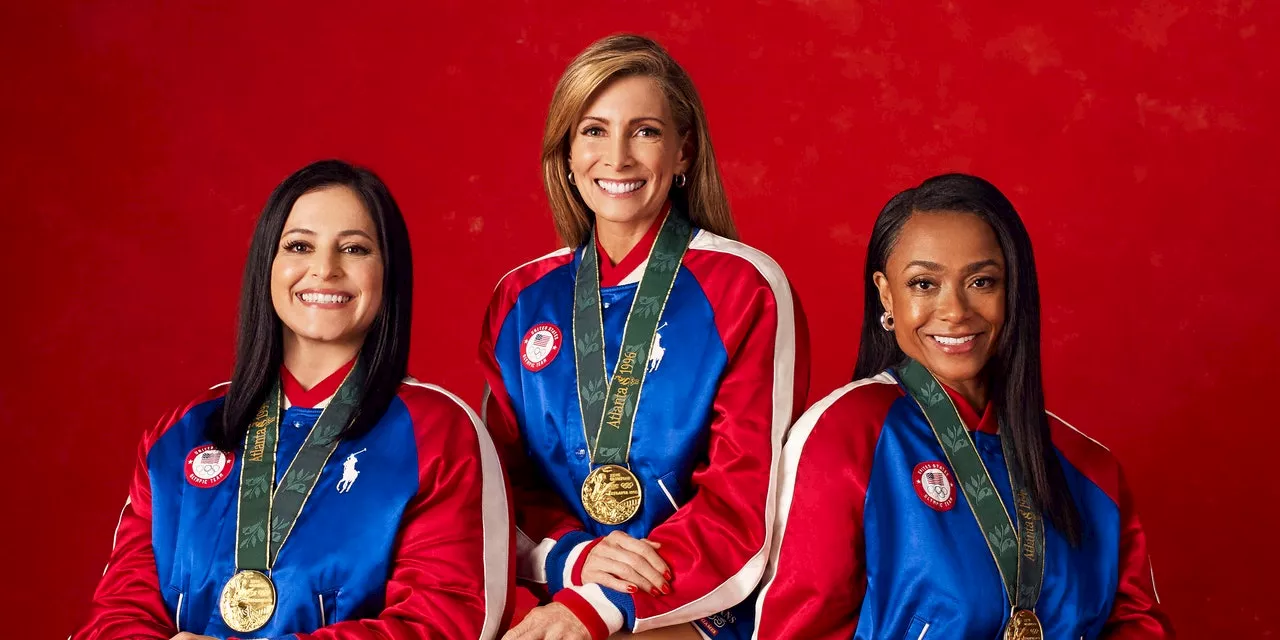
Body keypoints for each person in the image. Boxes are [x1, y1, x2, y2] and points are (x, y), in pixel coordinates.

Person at [76, 160, 511, 639]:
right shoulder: (181, 434)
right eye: (299, 246)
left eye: (355, 248)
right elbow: (117, 615)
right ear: (268, 263)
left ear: (389, 273)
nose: (325, 270)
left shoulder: (439, 432)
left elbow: (444, 622)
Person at [479, 34, 809, 640]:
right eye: (594, 130)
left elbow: (742, 507)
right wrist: (571, 558)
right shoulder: (521, 298)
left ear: (684, 152)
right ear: (567, 151)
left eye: (646, 131)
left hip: (696, 605)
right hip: (556, 590)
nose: (619, 157)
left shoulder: (746, 287)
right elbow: (499, 488)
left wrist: (600, 605)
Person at [753, 173, 1174, 638]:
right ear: (886, 294)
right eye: (924, 283)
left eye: (980, 281)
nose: (955, 310)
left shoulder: (1090, 467)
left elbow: (1136, 625)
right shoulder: (847, 433)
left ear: (1013, 291)